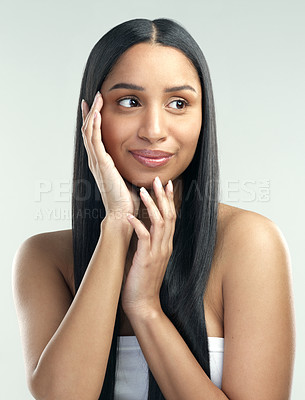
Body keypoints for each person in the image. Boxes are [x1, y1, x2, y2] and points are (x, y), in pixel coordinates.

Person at [12, 18, 295, 400]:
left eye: (178, 103)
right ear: (91, 117)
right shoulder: (45, 257)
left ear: (202, 116)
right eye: (129, 102)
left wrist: (145, 308)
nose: (154, 129)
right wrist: (117, 224)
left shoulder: (249, 242)